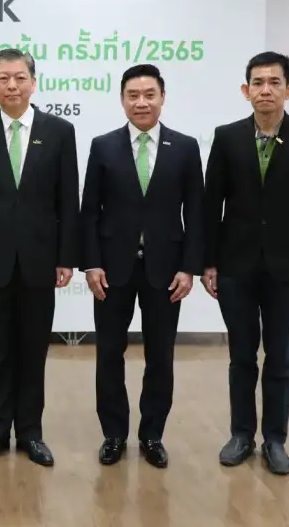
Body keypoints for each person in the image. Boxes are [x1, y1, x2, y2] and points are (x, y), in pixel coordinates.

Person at [202, 51, 289, 476]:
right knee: (241, 356)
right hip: (235, 266)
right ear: (246, 91)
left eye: (274, 82)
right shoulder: (226, 137)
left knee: (279, 357)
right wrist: (209, 262)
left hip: (286, 270)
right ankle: (241, 434)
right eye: (257, 83)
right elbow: (211, 204)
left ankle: (275, 439)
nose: (265, 90)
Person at [0, 48, 80, 467]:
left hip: (41, 260)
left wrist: (66, 257)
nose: (12, 85)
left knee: (33, 349)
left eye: (20, 77)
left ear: (33, 82)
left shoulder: (59, 131)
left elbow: (68, 200)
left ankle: (30, 432)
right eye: (3, 78)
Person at [80, 64, 204, 469]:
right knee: (109, 353)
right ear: (122, 100)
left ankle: (152, 435)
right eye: (133, 95)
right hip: (112, 270)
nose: (141, 102)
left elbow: (196, 213)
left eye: (149, 94)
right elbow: (89, 211)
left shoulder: (185, 147)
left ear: (162, 97)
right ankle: (113, 434)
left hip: (166, 272)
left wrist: (189, 268)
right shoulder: (103, 146)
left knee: (160, 355)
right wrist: (91, 263)